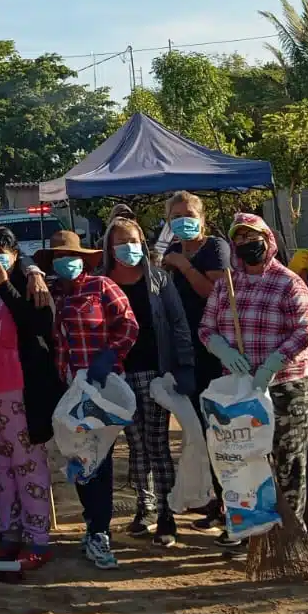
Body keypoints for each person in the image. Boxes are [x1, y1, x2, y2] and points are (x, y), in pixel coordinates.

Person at [199, 214, 308, 541]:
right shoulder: (227, 283)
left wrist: (274, 362)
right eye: (239, 239)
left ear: (267, 239)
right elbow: (206, 328)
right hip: (242, 392)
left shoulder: (288, 282)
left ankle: (289, 532)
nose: (245, 244)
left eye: (252, 237)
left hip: (285, 387)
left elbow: (307, 329)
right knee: (248, 462)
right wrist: (222, 349)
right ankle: (254, 530)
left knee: (287, 463)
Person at [0, 226, 63, 569]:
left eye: (2, 252)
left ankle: (38, 538)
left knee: (27, 464)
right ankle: (9, 533)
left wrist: (8, 284)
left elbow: (38, 325)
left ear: (16, 256)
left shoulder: (29, 288)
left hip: (17, 390)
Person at [45, 229, 137, 571]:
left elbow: (128, 325)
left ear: (83, 259)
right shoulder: (54, 292)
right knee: (79, 457)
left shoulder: (102, 286)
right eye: (58, 258)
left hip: (102, 386)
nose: (66, 263)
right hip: (70, 387)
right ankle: (91, 522)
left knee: (100, 459)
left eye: (71, 256)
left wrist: (109, 356)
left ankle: (100, 531)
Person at [102, 215, 193, 548]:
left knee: (156, 444)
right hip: (119, 375)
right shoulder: (102, 282)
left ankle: (167, 514)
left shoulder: (159, 280)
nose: (129, 247)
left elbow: (179, 324)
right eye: (121, 242)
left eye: (134, 240)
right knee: (135, 444)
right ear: (110, 248)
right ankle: (145, 507)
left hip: (156, 373)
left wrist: (183, 366)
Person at [158, 190, 231, 530]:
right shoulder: (171, 251)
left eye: (189, 214)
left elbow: (212, 292)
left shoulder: (215, 249)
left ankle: (231, 503)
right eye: (176, 216)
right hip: (184, 351)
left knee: (221, 427)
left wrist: (184, 266)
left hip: (215, 349)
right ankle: (213, 500)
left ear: (202, 218)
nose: (183, 221)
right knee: (199, 430)